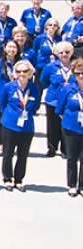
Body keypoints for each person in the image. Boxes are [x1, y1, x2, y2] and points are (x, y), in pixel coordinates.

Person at [0, 59, 40, 191]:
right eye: (19, 71)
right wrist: (10, 115)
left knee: (23, 154)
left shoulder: (34, 89)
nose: (22, 74)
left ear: (30, 72)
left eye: (25, 71)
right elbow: (2, 104)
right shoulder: (9, 87)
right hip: (9, 125)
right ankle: (7, 179)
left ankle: (19, 179)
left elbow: (35, 106)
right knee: (8, 153)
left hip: (27, 127)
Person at [40, 41, 76, 158]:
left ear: (71, 53)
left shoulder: (76, 66)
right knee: (52, 126)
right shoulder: (51, 67)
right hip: (53, 100)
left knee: (66, 126)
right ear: (57, 53)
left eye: (67, 52)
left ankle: (65, 149)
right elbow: (44, 80)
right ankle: (52, 147)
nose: (64, 54)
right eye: (61, 52)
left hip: (69, 102)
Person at [55, 58, 83, 195]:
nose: (81, 76)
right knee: (72, 157)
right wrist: (69, 121)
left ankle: (82, 185)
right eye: (77, 73)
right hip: (71, 128)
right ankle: (72, 184)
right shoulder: (68, 88)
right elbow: (59, 109)